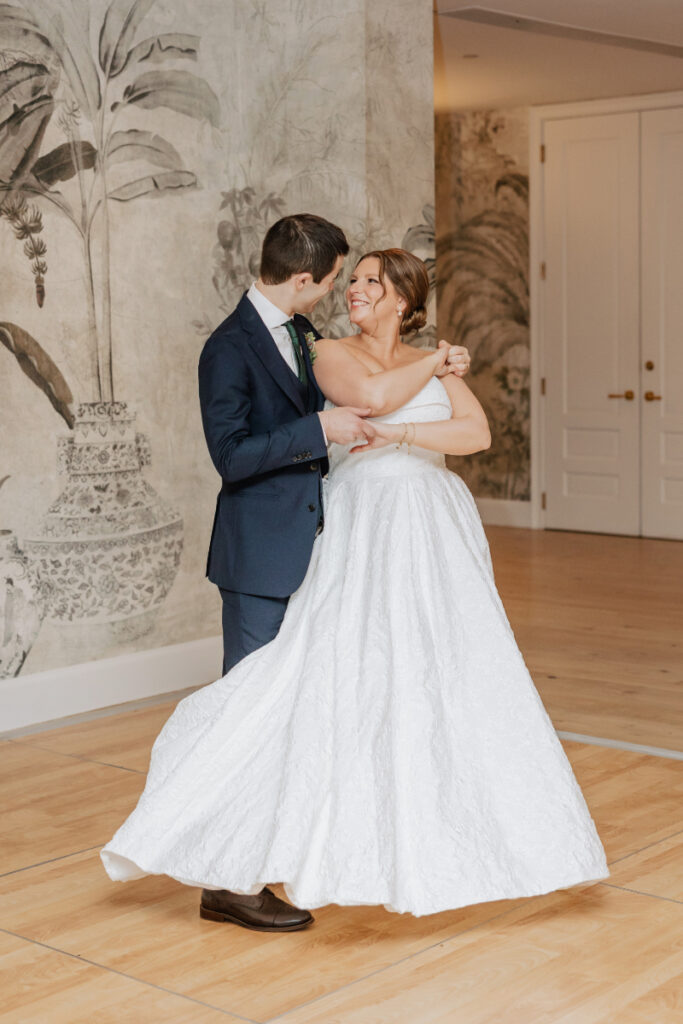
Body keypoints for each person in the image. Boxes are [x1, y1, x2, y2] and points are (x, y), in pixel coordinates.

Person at [101, 244, 609, 928]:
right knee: (322, 675)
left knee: (441, 675)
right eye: (352, 278)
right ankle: (230, 860)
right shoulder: (330, 351)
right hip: (365, 525)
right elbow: (368, 398)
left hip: (430, 534)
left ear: (403, 299)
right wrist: (437, 361)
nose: (355, 290)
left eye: (371, 281)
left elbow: (475, 432)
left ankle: (436, 831)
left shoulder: (423, 359)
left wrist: (403, 430)